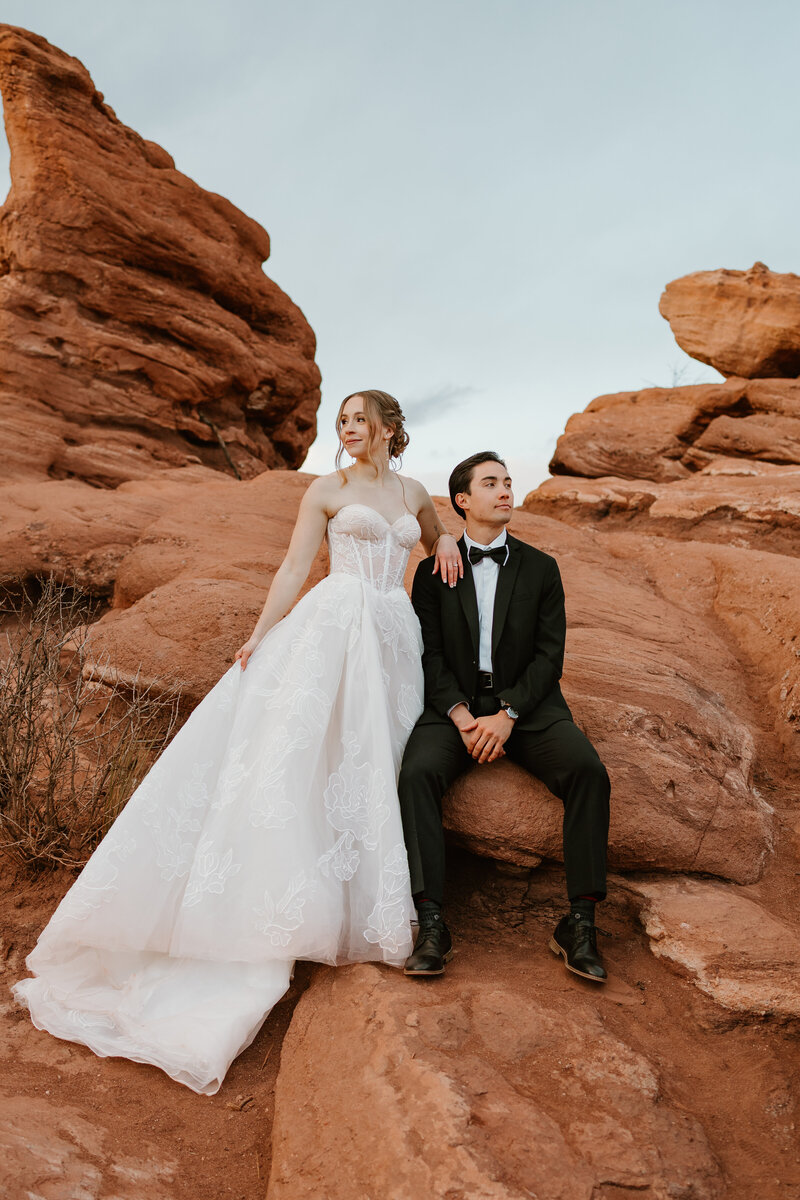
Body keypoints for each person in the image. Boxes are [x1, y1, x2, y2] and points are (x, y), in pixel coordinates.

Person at [11, 390, 462, 1095]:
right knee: (311, 760)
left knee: (379, 761)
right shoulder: (327, 489)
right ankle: (291, 911)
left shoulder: (411, 492)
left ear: (388, 428)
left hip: (394, 634)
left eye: (358, 419)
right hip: (335, 625)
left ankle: (367, 899)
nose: (347, 429)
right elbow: (293, 567)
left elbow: (437, 538)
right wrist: (259, 634)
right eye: (341, 420)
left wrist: (447, 539)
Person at [398, 451, 611, 982]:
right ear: (462, 500)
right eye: (491, 483)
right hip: (455, 708)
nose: (506, 491)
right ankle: (431, 922)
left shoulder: (541, 567)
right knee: (416, 773)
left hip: (528, 708)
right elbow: (427, 654)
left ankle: (580, 923)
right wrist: (460, 714)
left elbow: (549, 656)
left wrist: (509, 713)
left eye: (509, 482)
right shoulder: (431, 573)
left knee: (588, 771)